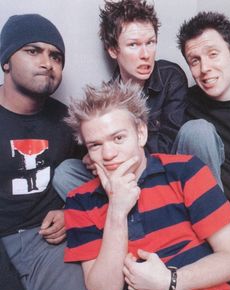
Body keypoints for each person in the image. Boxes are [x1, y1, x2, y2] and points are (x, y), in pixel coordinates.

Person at [34, 80, 230, 290]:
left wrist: (170, 281)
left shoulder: (185, 171)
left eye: (118, 138)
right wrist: (117, 210)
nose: (108, 154)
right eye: (95, 145)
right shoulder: (80, 201)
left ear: (140, 133)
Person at [0, 14, 96, 290]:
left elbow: (94, 177)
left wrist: (73, 214)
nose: (47, 63)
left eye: (56, 56)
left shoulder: (64, 119)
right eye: (33, 51)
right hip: (2, 243)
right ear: (6, 61)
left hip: (48, 244)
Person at [53, 0, 188, 201]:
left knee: (198, 131)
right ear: (113, 50)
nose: (145, 55)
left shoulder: (170, 77)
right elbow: (99, 153)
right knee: (66, 172)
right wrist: (94, 155)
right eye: (133, 45)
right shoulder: (106, 98)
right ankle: (124, 218)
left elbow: (168, 146)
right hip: (123, 179)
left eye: (150, 43)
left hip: (166, 175)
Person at [173, 11, 230, 228]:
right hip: (203, 221)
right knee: (197, 130)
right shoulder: (183, 102)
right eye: (195, 60)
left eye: (213, 54)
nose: (205, 68)